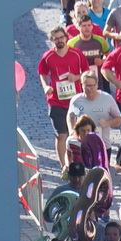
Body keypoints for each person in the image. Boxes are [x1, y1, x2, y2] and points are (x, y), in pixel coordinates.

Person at [38, 24, 87, 165]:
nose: (59, 40)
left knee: (79, 134)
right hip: (56, 101)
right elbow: (42, 72)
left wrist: (76, 77)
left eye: (61, 37)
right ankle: (64, 166)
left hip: (76, 101)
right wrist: (45, 86)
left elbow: (87, 71)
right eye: (56, 39)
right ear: (52, 41)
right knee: (61, 135)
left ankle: (81, 161)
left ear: (66, 38)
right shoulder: (48, 57)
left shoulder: (76, 54)